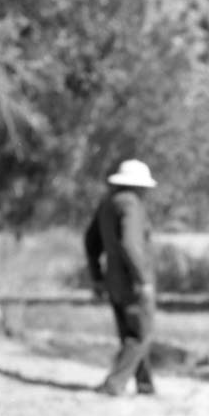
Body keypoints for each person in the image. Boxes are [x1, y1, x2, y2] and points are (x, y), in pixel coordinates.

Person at [83, 158, 159, 396]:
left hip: (113, 280)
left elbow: (90, 241)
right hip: (131, 282)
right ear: (138, 185)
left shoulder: (107, 204)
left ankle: (145, 385)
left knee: (131, 333)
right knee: (140, 335)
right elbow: (130, 244)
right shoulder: (131, 204)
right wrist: (143, 279)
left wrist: (96, 277)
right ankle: (114, 384)